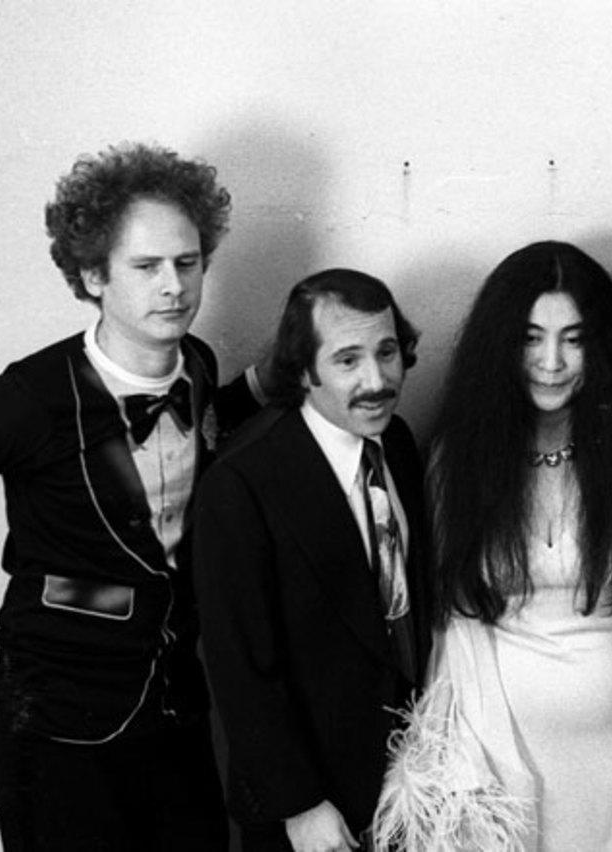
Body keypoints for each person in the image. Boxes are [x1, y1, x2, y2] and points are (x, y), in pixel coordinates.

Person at [0, 142, 237, 849]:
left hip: (176, 710)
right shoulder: (32, 398)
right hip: (55, 724)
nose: (173, 287)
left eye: (187, 263)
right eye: (146, 266)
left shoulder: (199, 368)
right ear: (93, 274)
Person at [374, 241, 612, 851]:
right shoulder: (459, 459)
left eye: (573, 339)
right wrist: (459, 762)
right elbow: (452, 622)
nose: (550, 362)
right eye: (531, 338)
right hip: (496, 756)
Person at [194, 269, 432, 852]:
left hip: (408, 788)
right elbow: (240, 668)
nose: (377, 380)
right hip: (309, 810)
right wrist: (299, 806)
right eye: (347, 360)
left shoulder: (395, 442)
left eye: (387, 352)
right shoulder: (242, 480)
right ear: (303, 370)